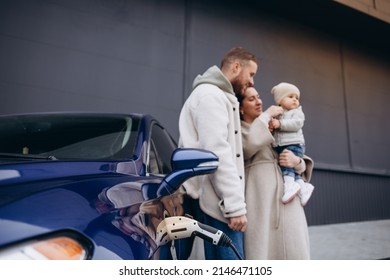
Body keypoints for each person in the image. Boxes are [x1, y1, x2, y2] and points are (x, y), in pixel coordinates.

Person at [178, 47, 258, 260]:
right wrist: (234, 206)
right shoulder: (210, 96)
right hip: (216, 203)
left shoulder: (217, 95)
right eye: (251, 74)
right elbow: (217, 152)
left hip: (213, 198)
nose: (252, 81)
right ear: (236, 66)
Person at [237, 86, 313, 259]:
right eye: (251, 99)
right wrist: (265, 117)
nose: (259, 101)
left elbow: (298, 154)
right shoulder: (239, 131)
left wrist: (297, 162)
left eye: (258, 96)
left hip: (290, 205)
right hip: (262, 209)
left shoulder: (276, 125)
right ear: (240, 108)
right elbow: (247, 147)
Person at [270, 82, 315, 205]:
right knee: (294, 171)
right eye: (290, 97)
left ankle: (289, 185)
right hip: (283, 144)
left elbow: (296, 124)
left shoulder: (297, 112)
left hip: (294, 144)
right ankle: (303, 187)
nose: (295, 100)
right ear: (280, 100)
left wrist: (280, 124)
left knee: (286, 164)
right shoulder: (277, 113)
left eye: (297, 97)